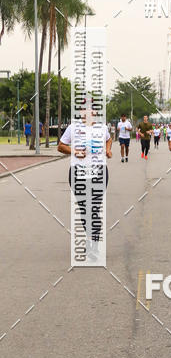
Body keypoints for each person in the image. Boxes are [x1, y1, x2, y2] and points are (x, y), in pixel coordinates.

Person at [58, 110, 112, 261]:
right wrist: (74, 151)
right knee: (84, 208)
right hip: (78, 173)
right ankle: (90, 240)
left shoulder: (102, 128)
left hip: (99, 172)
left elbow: (109, 139)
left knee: (94, 207)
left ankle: (93, 245)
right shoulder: (72, 128)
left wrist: (108, 150)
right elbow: (61, 146)